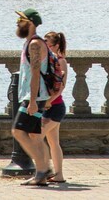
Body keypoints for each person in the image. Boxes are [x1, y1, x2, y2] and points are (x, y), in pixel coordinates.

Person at [12, 8, 52, 186]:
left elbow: (36, 74)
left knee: (18, 131)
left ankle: (42, 169)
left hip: (35, 96)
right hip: (35, 95)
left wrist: (33, 101)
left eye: (21, 20)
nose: (17, 23)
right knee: (35, 136)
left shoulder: (35, 44)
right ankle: (44, 172)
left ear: (30, 23)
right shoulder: (30, 42)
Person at [42, 31, 69, 184]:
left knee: (35, 138)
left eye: (48, 45)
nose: (45, 47)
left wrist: (48, 101)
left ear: (56, 45)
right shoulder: (49, 60)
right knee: (53, 142)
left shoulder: (61, 61)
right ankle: (59, 175)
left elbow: (61, 87)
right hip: (50, 107)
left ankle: (43, 171)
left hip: (55, 107)